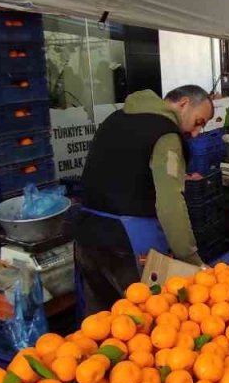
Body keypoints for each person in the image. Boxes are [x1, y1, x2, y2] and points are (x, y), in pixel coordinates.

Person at [75, 84, 215, 312]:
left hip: (86, 236)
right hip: (127, 241)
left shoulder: (116, 118)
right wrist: (191, 259)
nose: (196, 132)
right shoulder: (166, 134)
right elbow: (170, 203)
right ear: (184, 104)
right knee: (143, 324)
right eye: (199, 122)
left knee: (99, 327)